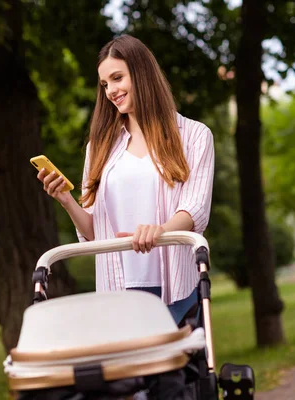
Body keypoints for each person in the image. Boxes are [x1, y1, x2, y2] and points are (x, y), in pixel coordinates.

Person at [37, 35, 214, 324]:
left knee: (175, 368)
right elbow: (96, 233)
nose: (110, 91)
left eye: (117, 78)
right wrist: (66, 201)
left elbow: (194, 210)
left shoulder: (194, 136)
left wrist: (159, 232)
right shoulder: (99, 147)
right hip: (118, 289)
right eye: (105, 84)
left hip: (175, 286)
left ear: (142, 73)